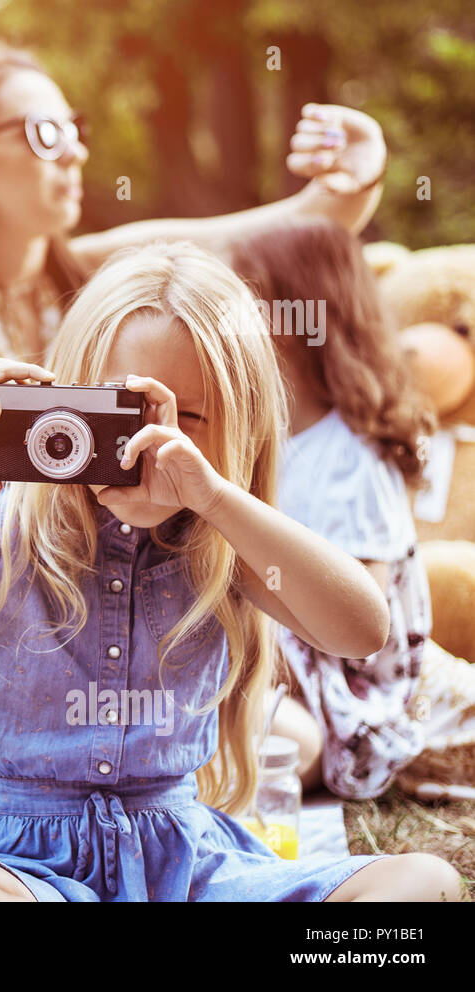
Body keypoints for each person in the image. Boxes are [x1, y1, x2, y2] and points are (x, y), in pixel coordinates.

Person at [0, 241, 461, 900]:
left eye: (188, 416)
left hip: (188, 868)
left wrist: (216, 497)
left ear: (240, 428)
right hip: (20, 870)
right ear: (66, 401)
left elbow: (363, 629)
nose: (150, 439)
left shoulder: (221, 545)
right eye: (120, 410)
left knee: (423, 884)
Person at [0, 45, 390, 756]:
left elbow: (285, 229)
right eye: (44, 133)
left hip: (139, 604)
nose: (75, 152)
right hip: (17, 623)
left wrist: (362, 165)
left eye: (74, 129)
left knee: (279, 739)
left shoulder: (98, 276)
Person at [229, 218, 437, 798]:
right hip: (259, 671)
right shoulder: (263, 434)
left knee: (273, 739)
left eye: (243, 297)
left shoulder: (353, 458)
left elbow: (356, 633)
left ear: (297, 318)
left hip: (335, 699)